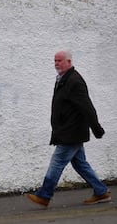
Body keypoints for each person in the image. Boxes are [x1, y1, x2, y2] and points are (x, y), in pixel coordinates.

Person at [27, 50, 111, 207]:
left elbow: (87, 107)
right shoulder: (63, 79)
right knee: (80, 164)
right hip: (68, 131)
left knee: (57, 161)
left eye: (60, 60)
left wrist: (96, 128)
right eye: (55, 61)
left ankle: (44, 195)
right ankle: (101, 192)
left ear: (69, 62)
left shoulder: (74, 81)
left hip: (71, 132)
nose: (56, 63)